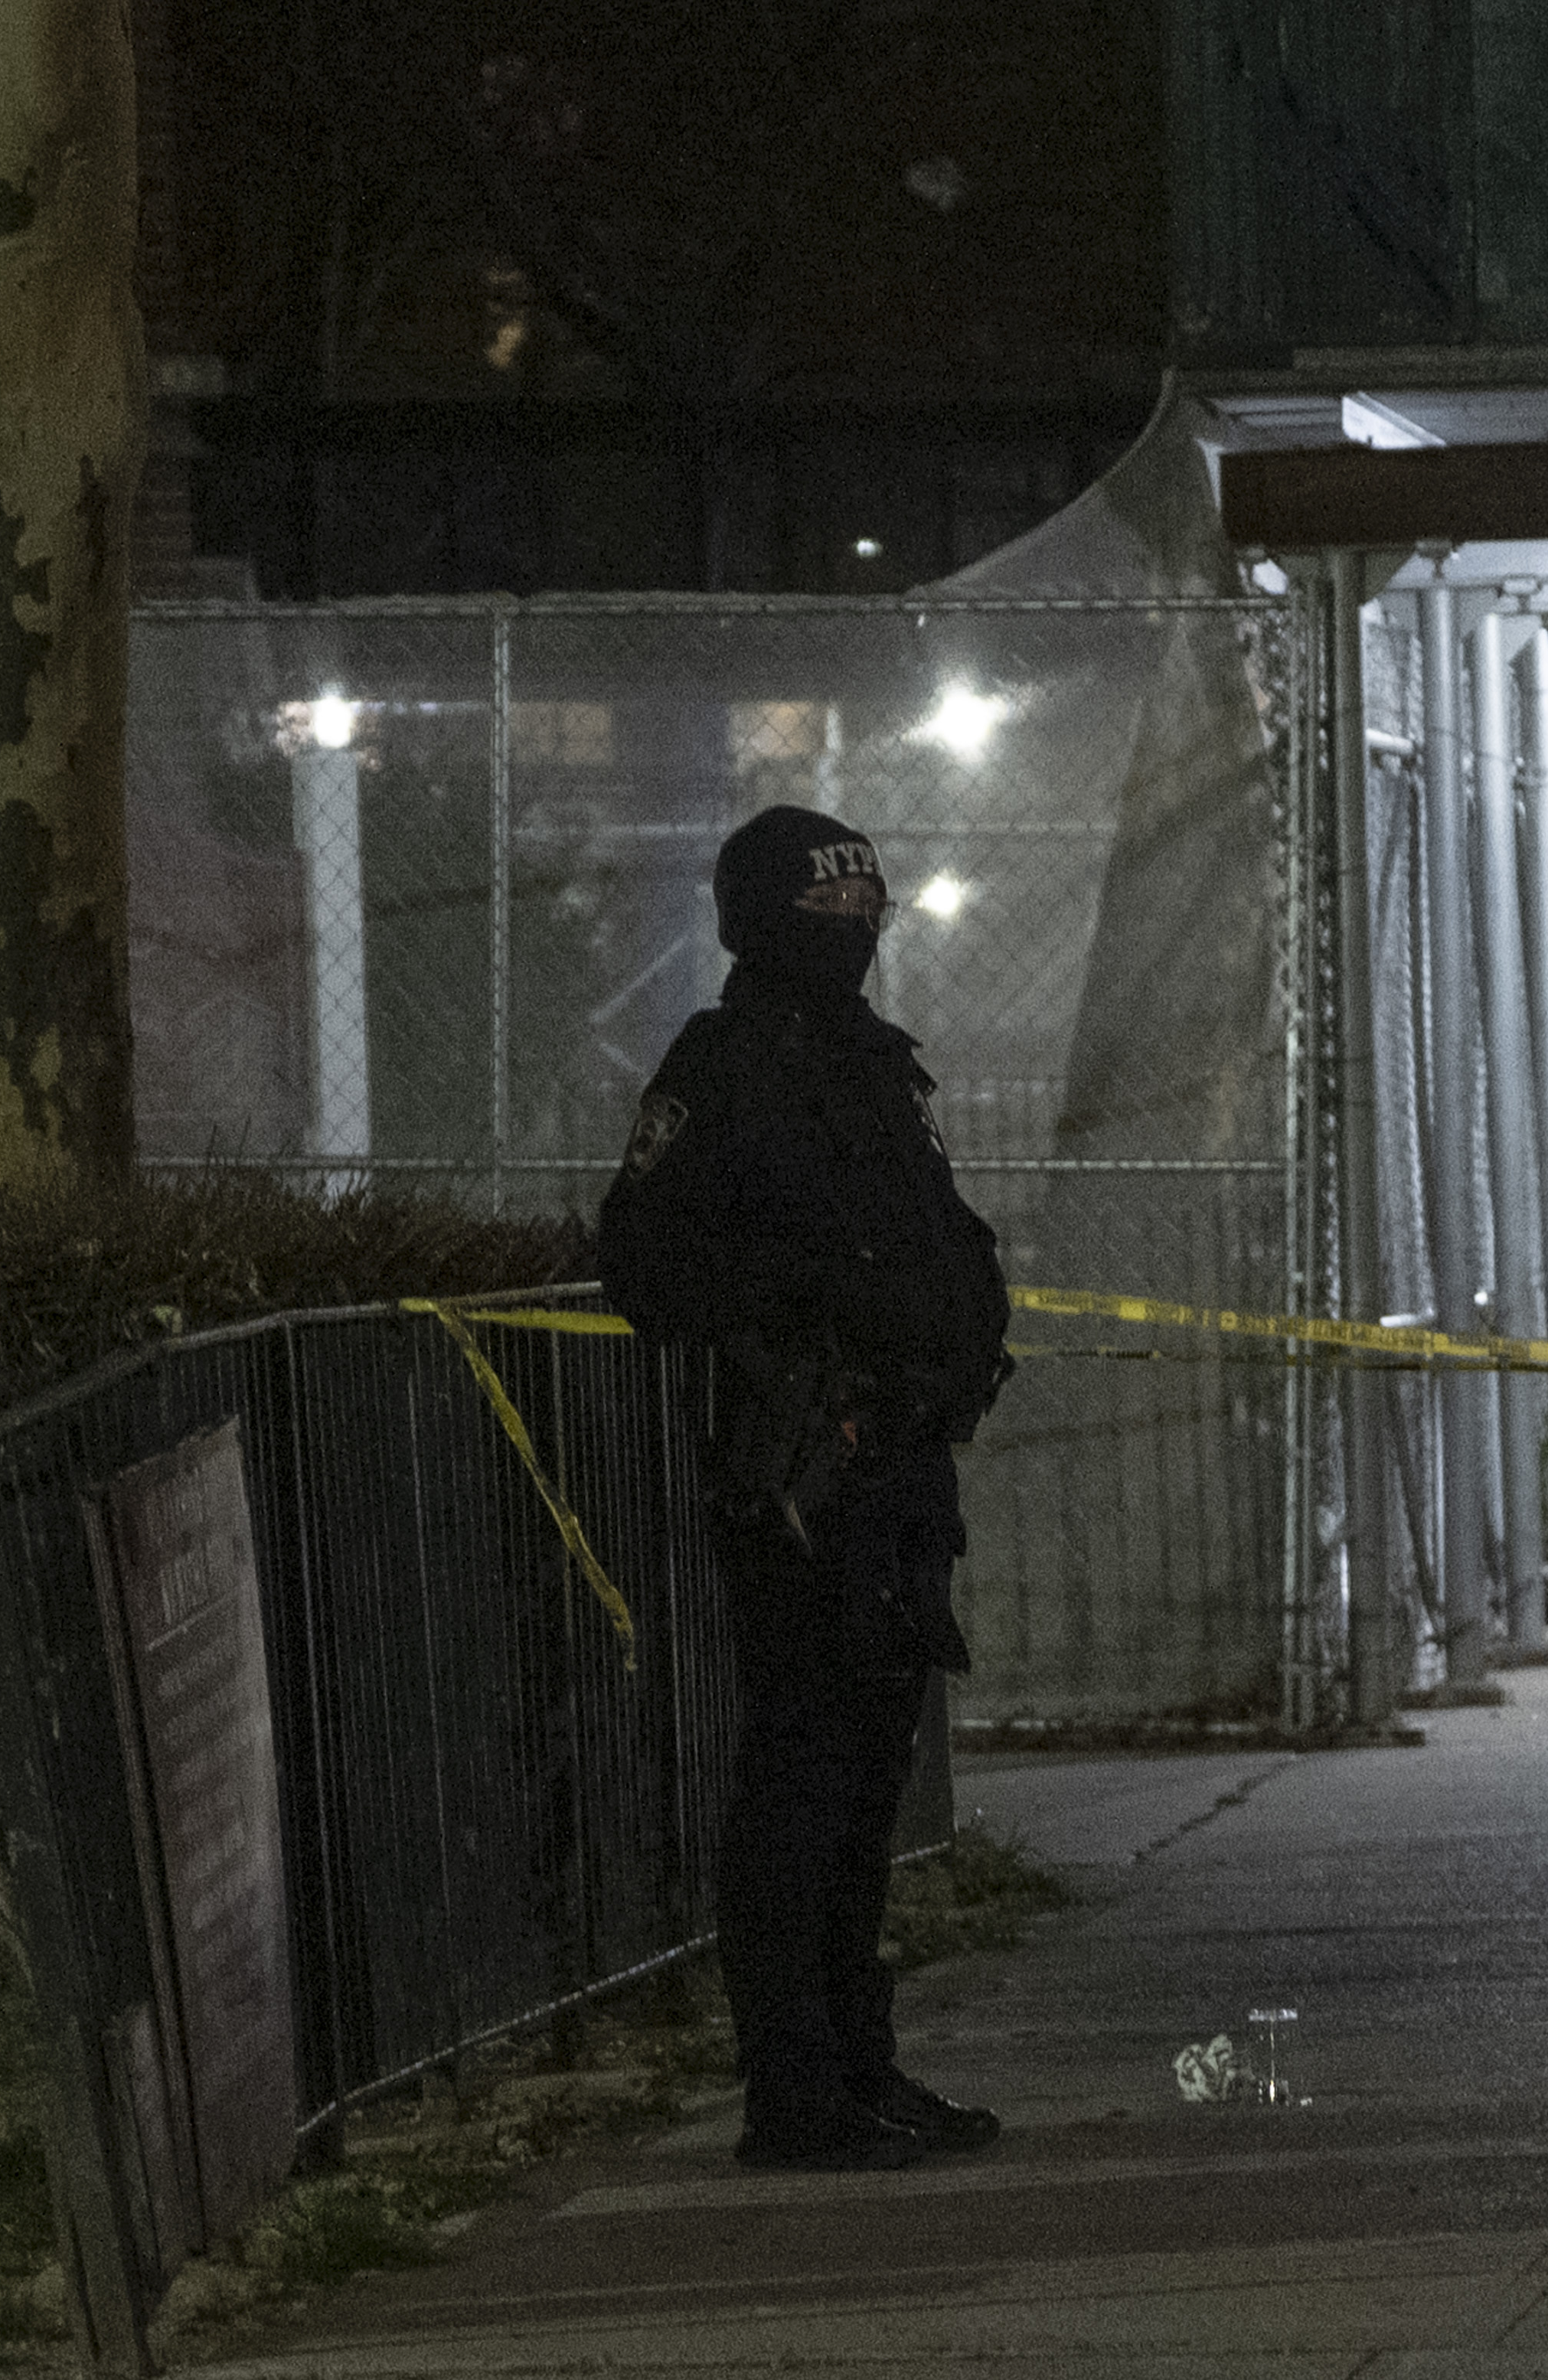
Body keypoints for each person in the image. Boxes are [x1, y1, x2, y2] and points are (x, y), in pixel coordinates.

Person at [599, 805, 1016, 2173]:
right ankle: (795, 2088)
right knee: (800, 1779)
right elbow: (646, 1263)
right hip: (798, 1481)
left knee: (869, 1783)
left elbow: (937, 1241)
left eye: (863, 910)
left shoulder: (876, 1066)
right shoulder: (723, 1069)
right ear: (760, 918)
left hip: (896, 1473)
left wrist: (962, 1352)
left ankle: (859, 2064)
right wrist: (797, 1323)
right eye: (823, 912)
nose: (850, 931)